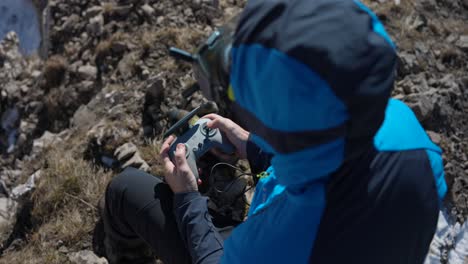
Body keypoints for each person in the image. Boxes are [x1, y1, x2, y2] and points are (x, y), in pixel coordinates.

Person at [100, 0, 447, 263]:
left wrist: (187, 197)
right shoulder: (407, 131)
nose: (236, 108)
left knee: (125, 189)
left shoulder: (276, 241)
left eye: (240, 99)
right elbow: (327, 151)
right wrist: (252, 145)